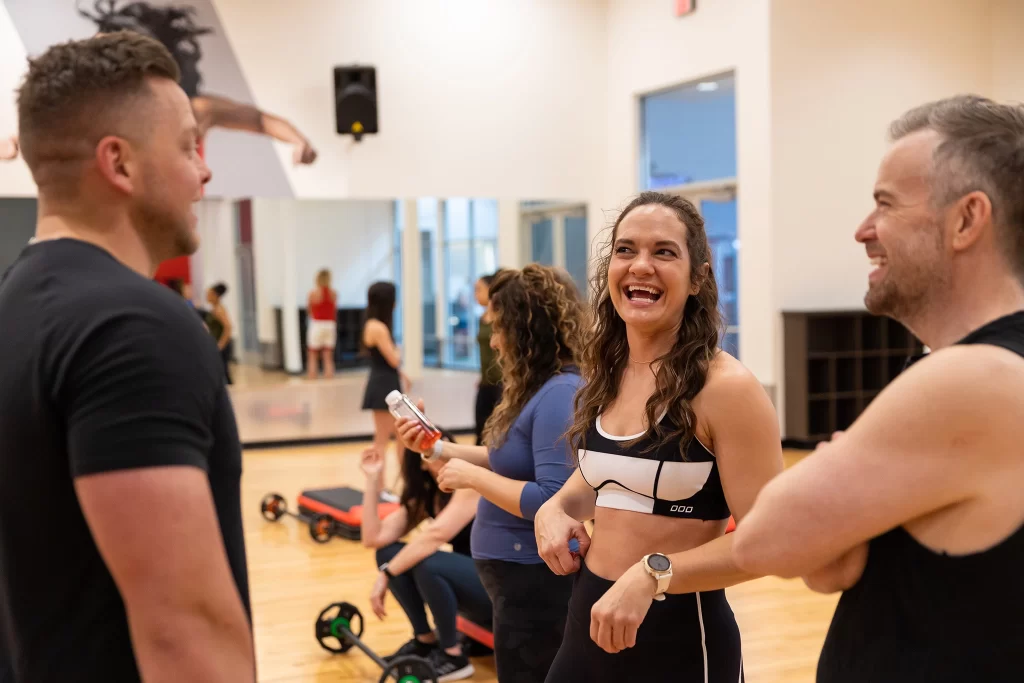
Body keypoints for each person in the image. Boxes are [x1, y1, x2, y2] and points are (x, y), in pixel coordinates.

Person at [732, 94, 1024, 683]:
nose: (863, 230)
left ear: (967, 219)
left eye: (885, 204)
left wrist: (838, 463)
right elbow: (825, 568)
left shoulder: (972, 379)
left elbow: (760, 542)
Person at [0, 32, 254, 683]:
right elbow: (184, 629)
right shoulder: (134, 326)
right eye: (187, 146)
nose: (205, 170)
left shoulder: (15, 301)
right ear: (119, 163)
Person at [534, 192, 783, 683]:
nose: (640, 266)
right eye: (625, 250)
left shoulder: (726, 389)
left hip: (681, 639)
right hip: (588, 621)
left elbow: (770, 541)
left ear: (698, 277)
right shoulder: (607, 374)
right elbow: (599, 483)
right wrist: (554, 510)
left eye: (664, 252)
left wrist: (654, 573)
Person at [395, 264, 585, 683]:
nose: (495, 341)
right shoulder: (539, 387)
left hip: (531, 577)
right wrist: (436, 449)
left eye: (500, 329)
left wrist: (472, 478)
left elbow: (552, 501)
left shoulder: (558, 394)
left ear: (526, 330)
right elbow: (504, 458)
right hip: (513, 577)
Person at [2, 2, 317, 167]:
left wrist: (298, 141)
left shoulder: (195, 109)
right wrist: (15, 142)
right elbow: (43, 125)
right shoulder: (93, 104)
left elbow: (258, 119)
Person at [359, 432, 492, 682]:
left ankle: (453, 656)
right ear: (422, 461)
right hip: (474, 583)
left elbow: (436, 535)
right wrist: (372, 479)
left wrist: (386, 574)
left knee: (425, 560)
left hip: (498, 588)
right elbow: (373, 538)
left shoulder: (471, 483)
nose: (442, 453)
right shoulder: (430, 495)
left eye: (444, 446)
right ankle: (425, 640)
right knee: (388, 553)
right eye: (432, 450)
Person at [361, 280, 410, 487]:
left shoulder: (374, 325)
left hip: (386, 382)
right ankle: (379, 488)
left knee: (401, 437)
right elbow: (394, 358)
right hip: (382, 385)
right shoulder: (378, 327)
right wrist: (398, 351)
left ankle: (407, 483)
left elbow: (391, 362)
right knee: (382, 440)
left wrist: (402, 373)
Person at [474, 272, 503, 445]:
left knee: (497, 430)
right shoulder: (481, 319)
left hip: (501, 381)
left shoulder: (501, 318)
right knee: (480, 428)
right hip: (485, 381)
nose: (475, 294)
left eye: (479, 289)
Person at [306, 268, 338, 379]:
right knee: (328, 355)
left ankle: (312, 376)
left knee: (313, 354)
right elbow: (334, 310)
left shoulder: (313, 294)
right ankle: (329, 376)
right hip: (330, 325)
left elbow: (309, 311)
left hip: (317, 324)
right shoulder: (333, 293)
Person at [204, 282, 234, 385]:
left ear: (215, 295)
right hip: (216, 343)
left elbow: (228, 327)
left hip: (222, 345)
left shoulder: (219, 310)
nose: (206, 297)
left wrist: (221, 344)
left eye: (209, 294)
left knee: (223, 372)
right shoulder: (214, 309)